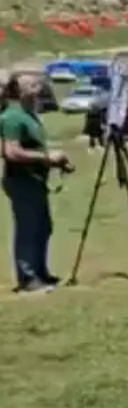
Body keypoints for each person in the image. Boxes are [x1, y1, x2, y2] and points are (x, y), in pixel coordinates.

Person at [0, 74, 70, 291]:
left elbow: (34, 147)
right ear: (19, 91)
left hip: (36, 179)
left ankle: (40, 272)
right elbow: (11, 152)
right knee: (28, 229)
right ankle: (28, 278)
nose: (38, 87)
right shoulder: (12, 117)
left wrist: (56, 162)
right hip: (21, 181)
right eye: (32, 85)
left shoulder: (29, 114)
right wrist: (46, 158)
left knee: (42, 227)